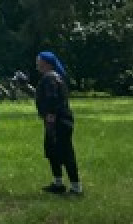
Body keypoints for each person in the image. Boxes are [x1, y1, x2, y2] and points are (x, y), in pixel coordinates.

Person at [35, 51, 82, 195]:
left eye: (39, 61)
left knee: (65, 152)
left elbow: (52, 98)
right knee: (52, 151)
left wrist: (50, 114)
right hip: (56, 120)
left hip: (59, 121)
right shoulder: (51, 77)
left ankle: (75, 187)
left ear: (46, 63)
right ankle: (58, 183)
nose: (37, 63)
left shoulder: (50, 78)